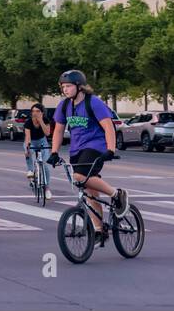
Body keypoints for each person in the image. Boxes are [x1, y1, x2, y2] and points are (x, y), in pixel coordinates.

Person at [49, 69, 128, 238]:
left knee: (78, 176)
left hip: (96, 146)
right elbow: (58, 130)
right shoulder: (64, 106)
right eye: (63, 87)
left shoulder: (93, 103)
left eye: (68, 86)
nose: (65, 90)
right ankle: (99, 229)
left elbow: (108, 126)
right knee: (89, 190)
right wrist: (54, 152)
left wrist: (111, 150)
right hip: (76, 149)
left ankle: (116, 194)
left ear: (79, 87)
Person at [23, 103, 54, 198]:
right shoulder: (28, 122)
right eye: (33, 111)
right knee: (27, 151)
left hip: (42, 142)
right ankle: (30, 171)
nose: (35, 113)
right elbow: (27, 137)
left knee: (45, 165)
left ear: (42, 112)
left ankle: (47, 188)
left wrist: (41, 121)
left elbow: (47, 133)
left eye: (37, 111)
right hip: (31, 141)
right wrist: (27, 148)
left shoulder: (45, 120)